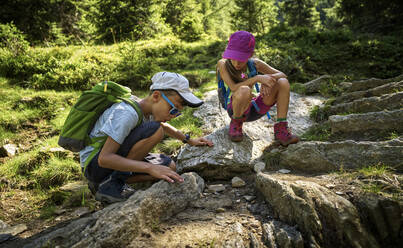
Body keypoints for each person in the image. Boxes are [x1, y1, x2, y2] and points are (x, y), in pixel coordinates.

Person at [80, 72, 213, 204]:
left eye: (178, 113)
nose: (174, 115)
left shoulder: (147, 109)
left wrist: (189, 140)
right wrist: (149, 168)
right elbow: (104, 159)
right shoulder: (126, 113)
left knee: (169, 168)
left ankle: (104, 182)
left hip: (108, 162)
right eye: (173, 109)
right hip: (95, 164)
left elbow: (164, 125)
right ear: (156, 96)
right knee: (155, 130)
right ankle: (112, 184)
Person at [216, 30, 299, 146]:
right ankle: (236, 125)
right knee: (244, 90)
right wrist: (257, 78)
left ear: (250, 55)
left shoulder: (255, 64)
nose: (236, 63)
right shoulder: (223, 64)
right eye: (233, 57)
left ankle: (281, 130)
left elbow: (283, 75)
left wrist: (268, 78)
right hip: (235, 108)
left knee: (283, 82)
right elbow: (234, 88)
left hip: (256, 109)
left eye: (241, 58)